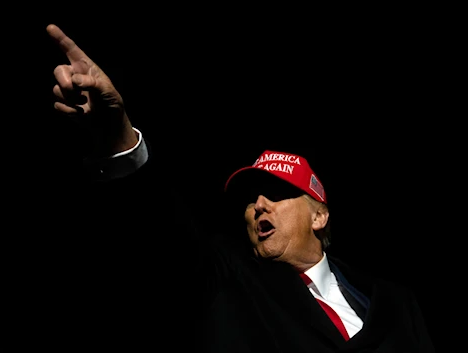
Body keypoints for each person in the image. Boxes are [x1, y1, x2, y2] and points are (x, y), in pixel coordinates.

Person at [40, 23, 435, 353]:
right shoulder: (229, 279)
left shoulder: (396, 304)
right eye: (250, 199)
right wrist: (118, 138)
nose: (258, 205)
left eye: (276, 193)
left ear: (319, 215)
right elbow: (164, 227)